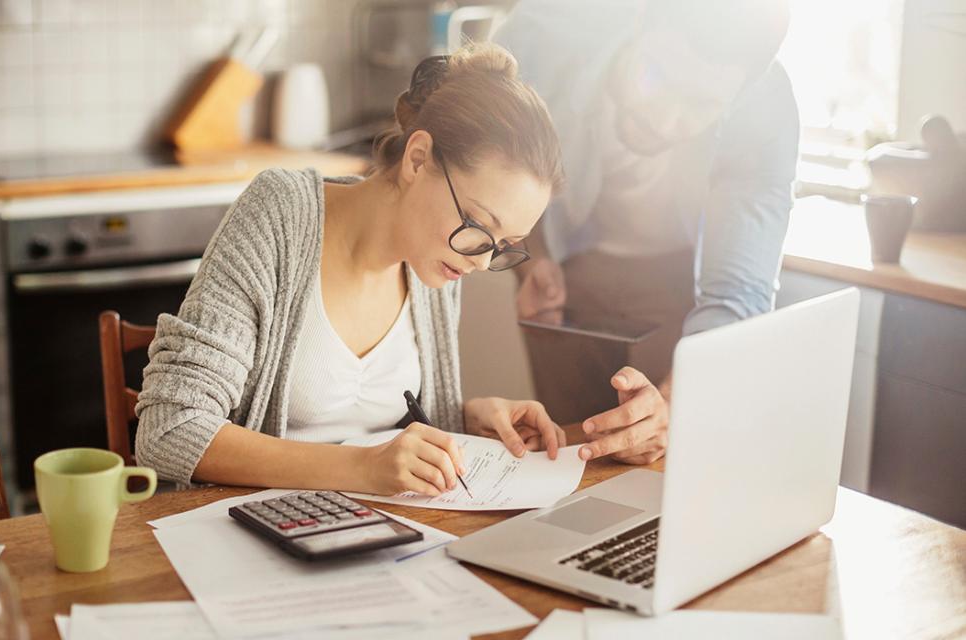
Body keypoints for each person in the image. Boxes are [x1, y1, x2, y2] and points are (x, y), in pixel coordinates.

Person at [135, 43, 567, 496]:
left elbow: (382, 426)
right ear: (417, 159)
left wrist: (466, 417)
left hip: (373, 537)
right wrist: (360, 468)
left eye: (504, 246)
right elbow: (170, 430)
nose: (480, 260)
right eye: (478, 226)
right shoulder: (281, 215)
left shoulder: (439, 261)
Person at [495, 0, 798, 465]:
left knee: (663, 458)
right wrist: (528, 257)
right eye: (657, 76)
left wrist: (677, 407)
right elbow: (488, 163)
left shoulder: (765, 110)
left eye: (699, 105)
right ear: (637, 19)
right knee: (564, 459)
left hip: (680, 288)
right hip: (564, 265)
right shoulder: (540, 35)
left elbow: (737, 291)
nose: (662, 117)